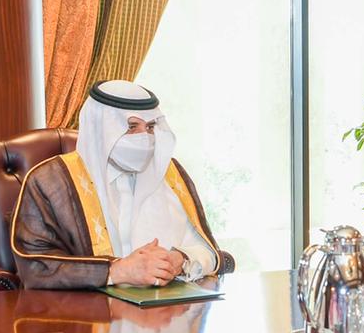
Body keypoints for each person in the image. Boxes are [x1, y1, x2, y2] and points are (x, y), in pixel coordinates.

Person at [11, 81, 227, 289]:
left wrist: (181, 259)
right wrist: (117, 271)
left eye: (150, 127)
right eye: (132, 127)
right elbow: (35, 267)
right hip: (85, 311)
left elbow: (209, 252)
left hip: (170, 309)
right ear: (100, 129)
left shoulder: (171, 174)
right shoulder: (49, 181)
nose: (145, 137)